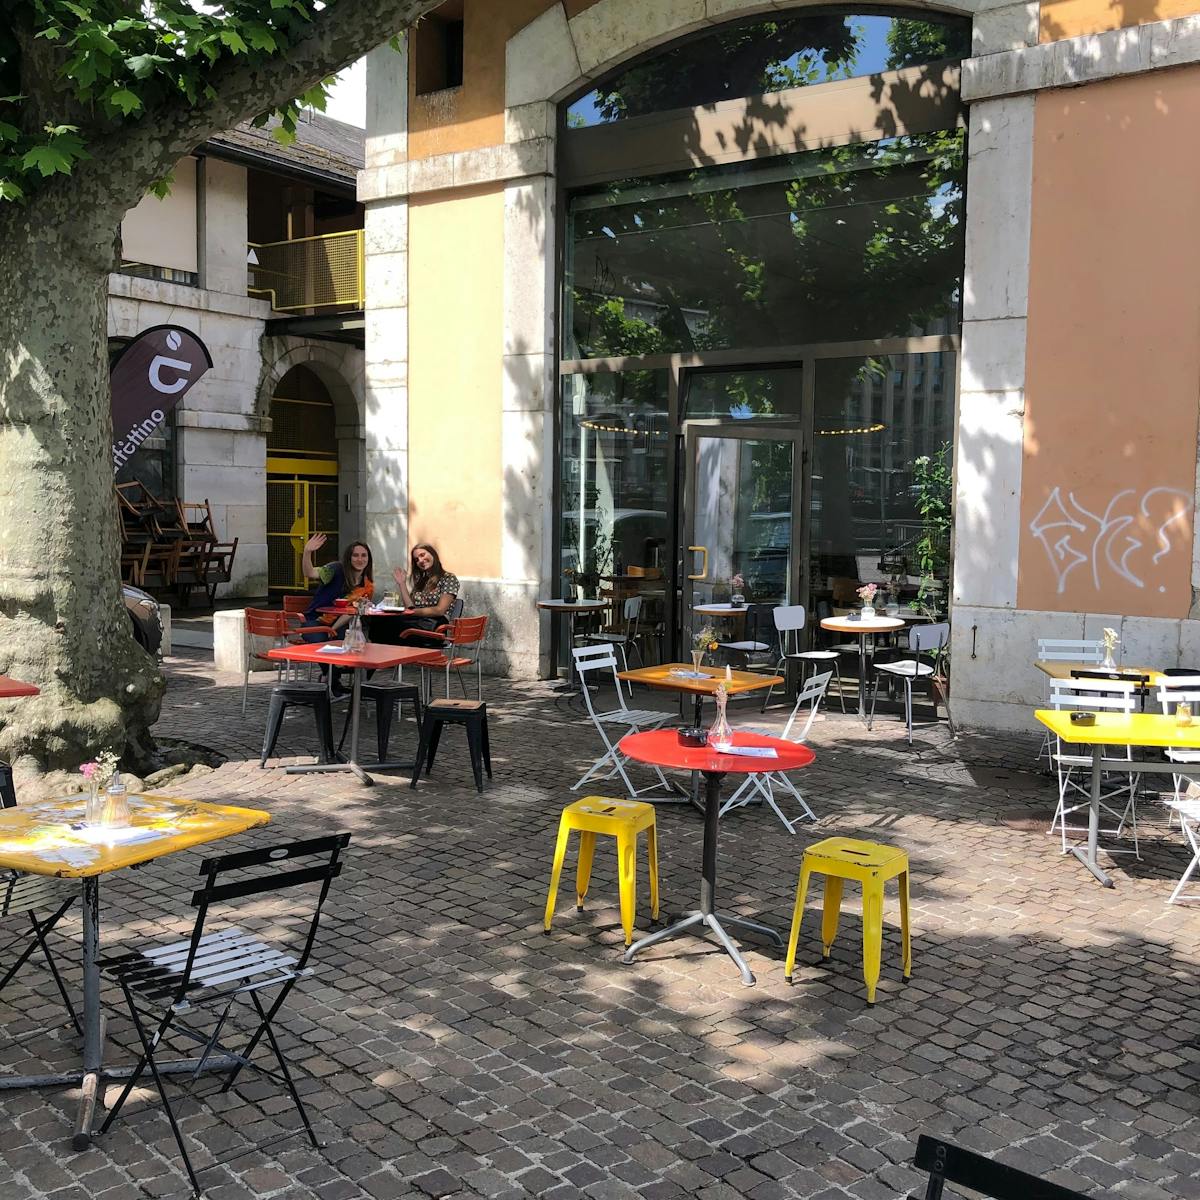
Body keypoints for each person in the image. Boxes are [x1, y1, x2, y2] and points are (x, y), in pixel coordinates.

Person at [368, 543, 459, 646]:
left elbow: (440, 610)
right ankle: (379, 651)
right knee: (379, 620)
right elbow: (410, 607)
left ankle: (383, 652)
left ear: (433, 554)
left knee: (393, 626)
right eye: (416, 559)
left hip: (435, 627)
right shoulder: (422, 581)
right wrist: (402, 583)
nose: (420, 560)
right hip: (417, 622)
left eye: (422, 555)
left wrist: (411, 612)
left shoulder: (448, 578)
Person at [302, 534, 374, 635]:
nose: (360, 559)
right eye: (355, 555)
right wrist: (307, 552)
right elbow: (309, 573)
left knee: (349, 638)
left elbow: (351, 612)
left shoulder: (367, 586)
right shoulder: (335, 569)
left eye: (364, 555)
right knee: (320, 640)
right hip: (316, 620)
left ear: (368, 559)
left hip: (340, 625)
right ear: (349, 558)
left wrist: (332, 630)